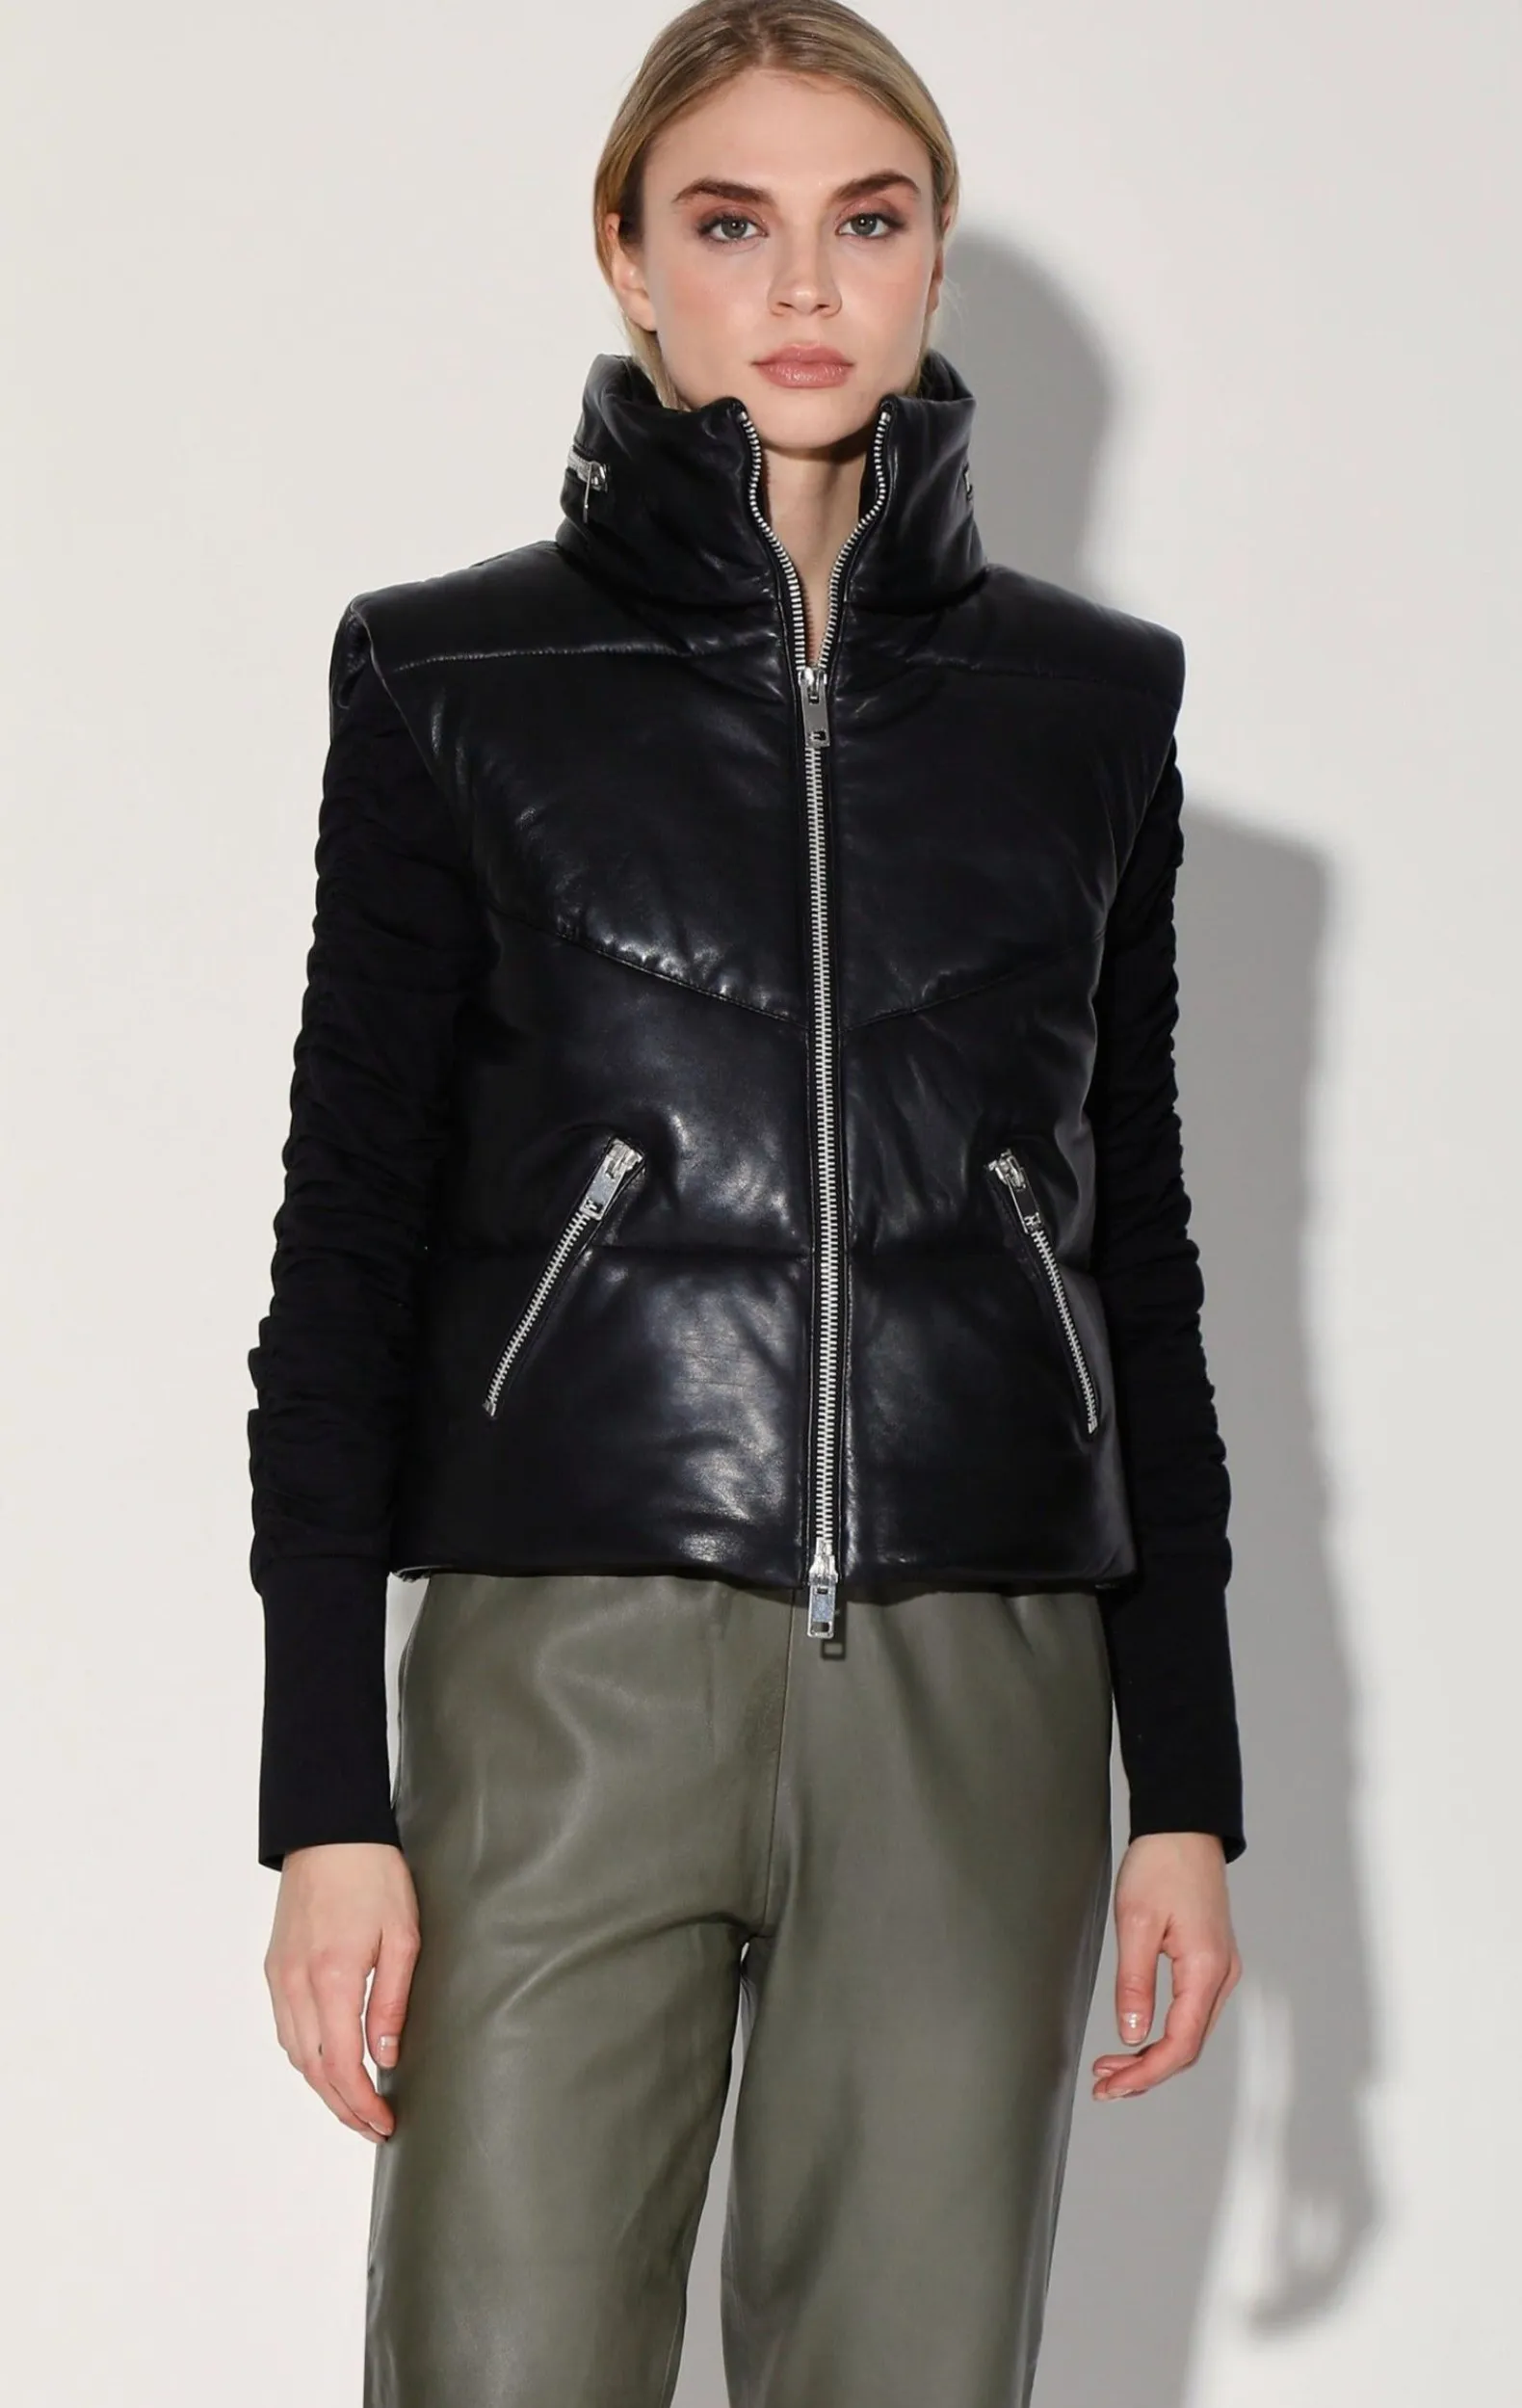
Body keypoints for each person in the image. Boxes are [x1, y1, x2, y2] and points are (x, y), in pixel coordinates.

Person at [249, 4, 1246, 2401]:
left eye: (863, 221)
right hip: (562, 1667)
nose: (802, 284)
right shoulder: (454, 678)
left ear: (932, 258)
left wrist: (1188, 1792)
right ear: (629, 258)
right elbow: (345, 1244)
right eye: (730, 222)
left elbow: (1137, 1249)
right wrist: (322, 1799)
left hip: (975, 1683)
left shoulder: (1088, 708)